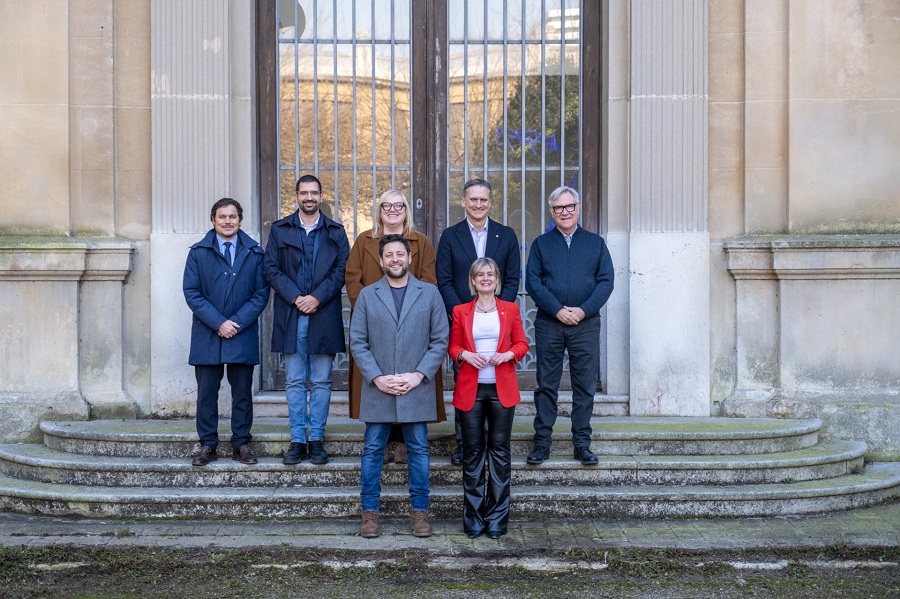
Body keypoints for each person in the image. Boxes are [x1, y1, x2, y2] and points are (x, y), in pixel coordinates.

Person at [349, 234, 449, 538]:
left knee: (418, 449)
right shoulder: (367, 295)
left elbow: (440, 340)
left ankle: (420, 513)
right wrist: (378, 377)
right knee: (373, 450)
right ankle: (369, 515)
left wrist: (418, 375)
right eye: (389, 255)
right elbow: (358, 342)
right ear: (381, 261)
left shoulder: (430, 294)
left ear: (409, 259)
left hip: (416, 387)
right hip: (378, 387)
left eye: (400, 255)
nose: (395, 259)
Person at [345, 189, 444, 465]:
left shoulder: (420, 241)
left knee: (410, 382)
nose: (392, 210)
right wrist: (369, 309)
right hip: (374, 324)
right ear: (379, 210)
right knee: (379, 382)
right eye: (386, 205)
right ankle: (385, 439)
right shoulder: (364, 240)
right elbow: (353, 279)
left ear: (406, 209)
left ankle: (402, 442)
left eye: (398, 205)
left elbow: (429, 281)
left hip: (413, 324)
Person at [524, 186, 614, 466]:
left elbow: (606, 282)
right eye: (558, 208)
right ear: (552, 211)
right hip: (549, 323)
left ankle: (582, 443)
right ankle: (542, 442)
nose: (565, 212)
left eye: (569, 207)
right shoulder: (541, 244)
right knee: (546, 385)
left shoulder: (595, 243)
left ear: (577, 208)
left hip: (586, 324)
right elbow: (533, 283)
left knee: (584, 385)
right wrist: (558, 310)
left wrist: (583, 311)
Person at [264, 174, 350, 466]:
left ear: (321, 196)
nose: (309, 197)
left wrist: (317, 298)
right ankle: (298, 440)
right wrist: (295, 297)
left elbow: (342, 271)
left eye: (314, 193)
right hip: (291, 314)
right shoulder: (280, 230)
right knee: (295, 381)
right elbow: (271, 269)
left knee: (323, 381)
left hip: (323, 314)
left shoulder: (336, 232)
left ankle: (317, 440)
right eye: (304, 193)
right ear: (297, 196)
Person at [436, 178, 521, 465]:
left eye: (483, 199)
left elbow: (511, 279)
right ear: (464, 202)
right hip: (463, 322)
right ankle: (465, 443)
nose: (478, 204)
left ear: (490, 202)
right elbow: (444, 280)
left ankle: (493, 441)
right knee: (465, 382)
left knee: (498, 379)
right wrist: (461, 313)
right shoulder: (450, 236)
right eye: (473, 199)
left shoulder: (506, 235)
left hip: (498, 323)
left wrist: (503, 312)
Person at [183, 198, 270, 467]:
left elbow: (261, 294)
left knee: (242, 393)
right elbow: (192, 293)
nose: (228, 221)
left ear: (240, 220)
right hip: (207, 333)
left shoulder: (255, 253)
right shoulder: (198, 252)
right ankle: (207, 444)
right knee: (206, 393)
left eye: (232, 217)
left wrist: (236, 322)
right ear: (213, 220)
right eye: (222, 217)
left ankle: (241, 443)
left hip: (241, 333)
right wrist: (219, 322)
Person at [449, 257, 529, 539]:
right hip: (471, 389)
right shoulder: (460, 311)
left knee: (499, 454)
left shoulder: (510, 309)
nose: (485, 278)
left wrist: (509, 354)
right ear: (472, 281)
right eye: (479, 275)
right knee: (472, 455)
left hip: (501, 390)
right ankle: (473, 518)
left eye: (490, 274)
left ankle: (497, 518)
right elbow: (453, 346)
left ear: (497, 280)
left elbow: (522, 343)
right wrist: (464, 354)